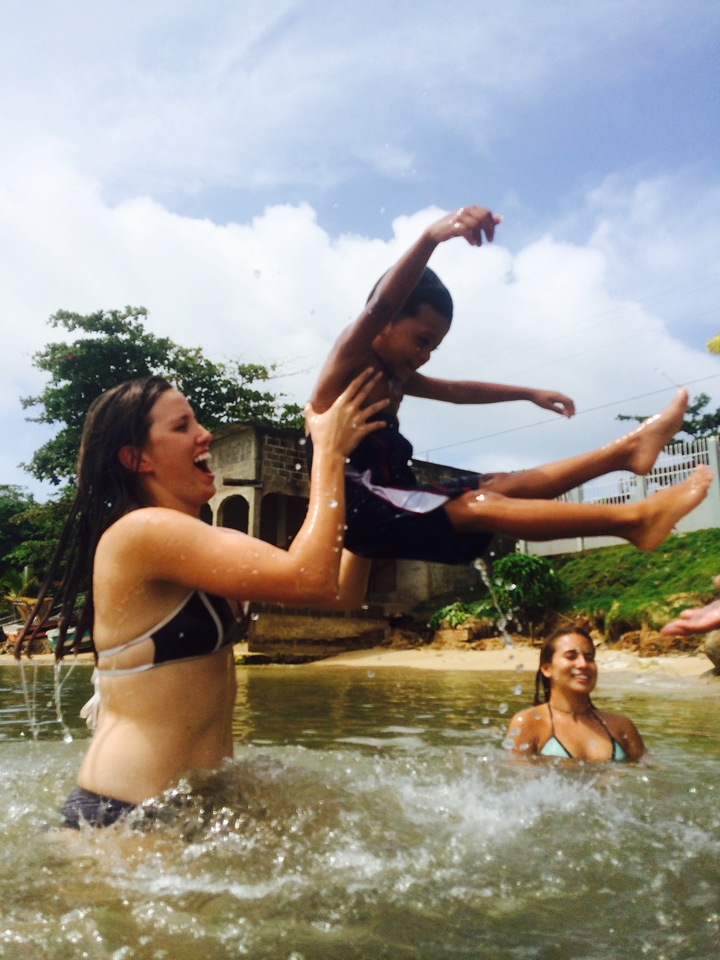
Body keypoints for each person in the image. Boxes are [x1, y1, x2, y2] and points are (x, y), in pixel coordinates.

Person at [15, 370, 388, 828]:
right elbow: (310, 579)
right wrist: (328, 453)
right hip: (125, 816)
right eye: (182, 426)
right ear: (137, 458)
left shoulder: (205, 543)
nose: (204, 434)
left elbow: (339, 593)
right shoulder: (141, 531)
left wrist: (366, 501)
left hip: (192, 807)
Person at [309, 204, 711, 592]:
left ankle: (626, 452)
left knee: (498, 484)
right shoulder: (352, 357)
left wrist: (528, 394)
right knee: (479, 503)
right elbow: (380, 305)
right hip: (357, 510)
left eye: (434, 347)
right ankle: (632, 519)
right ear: (387, 322)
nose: (425, 355)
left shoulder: (396, 377)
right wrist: (431, 238)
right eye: (421, 340)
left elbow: (458, 392)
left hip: (390, 495)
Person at [504, 628, 644, 761]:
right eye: (571, 657)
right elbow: (517, 774)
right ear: (547, 668)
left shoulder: (621, 726)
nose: (583, 664)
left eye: (589, 657)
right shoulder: (529, 723)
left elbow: (646, 771)